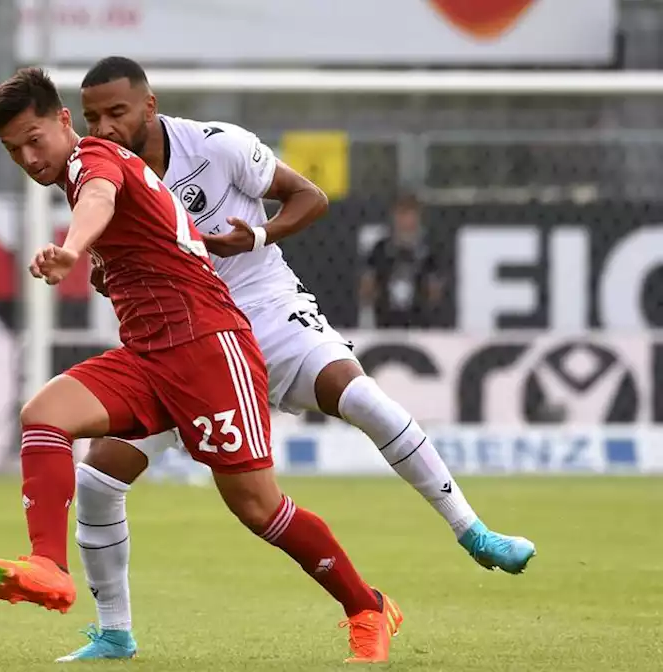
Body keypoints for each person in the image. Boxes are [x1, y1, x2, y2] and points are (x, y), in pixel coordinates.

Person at [65, 56, 535, 660]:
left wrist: (256, 236)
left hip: (264, 310)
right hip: (187, 340)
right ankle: (114, 633)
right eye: (92, 116)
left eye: (116, 112)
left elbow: (308, 196)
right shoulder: (99, 175)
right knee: (99, 480)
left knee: (362, 398)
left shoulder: (216, 145)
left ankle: (473, 531)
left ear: (149, 106)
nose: (102, 126)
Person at [0, 67, 402, 664]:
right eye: (12, 149)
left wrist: (73, 251)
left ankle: (367, 606)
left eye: (33, 138)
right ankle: (49, 568)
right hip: (148, 353)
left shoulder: (91, 160)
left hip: (209, 349)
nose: (27, 156)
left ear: (63, 121)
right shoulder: (93, 170)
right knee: (44, 415)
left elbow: (99, 196)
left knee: (258, 508)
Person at [359, 194, 445, 328]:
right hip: (386, 322)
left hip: (420, 323)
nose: (404, 220)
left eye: (410, 213)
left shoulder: (428, 250)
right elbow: (367, 287)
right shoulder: (380, 249)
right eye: (400, 214)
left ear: (418, 216)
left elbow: (435, 291)